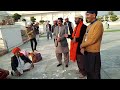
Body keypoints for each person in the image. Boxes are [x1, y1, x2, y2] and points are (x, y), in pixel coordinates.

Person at [80, 11, 104, 79]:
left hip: (94, 53)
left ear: (94, 15)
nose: (86, 16)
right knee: (89, 72)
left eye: (88, 15)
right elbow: (85, 37)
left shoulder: (98, 24)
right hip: (87, 52)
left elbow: (93, 40)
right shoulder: (89, 26)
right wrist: (83, 47)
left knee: (95, 74)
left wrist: (82, 45)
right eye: (86, 15)